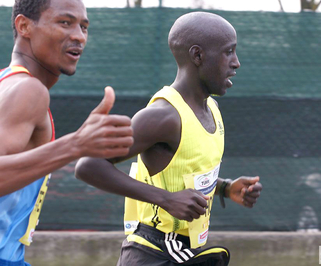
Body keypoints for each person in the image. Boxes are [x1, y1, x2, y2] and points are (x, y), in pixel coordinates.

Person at [76, 11, 262, 266]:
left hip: (179, 249)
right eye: (228, 52)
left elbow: (183, 174)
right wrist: (165, 199)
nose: (236, 62)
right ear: (197, 55)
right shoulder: (163, 116)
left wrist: (226, 188)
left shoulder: (212, 109)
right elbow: (88, 164)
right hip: (154, 251)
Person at [0, 0, 134, 265]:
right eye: (65, 22)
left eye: (84, 26)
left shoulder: (8, 82)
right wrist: (75, 145)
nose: (79, 35)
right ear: (24, 26)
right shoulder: (29, 90)